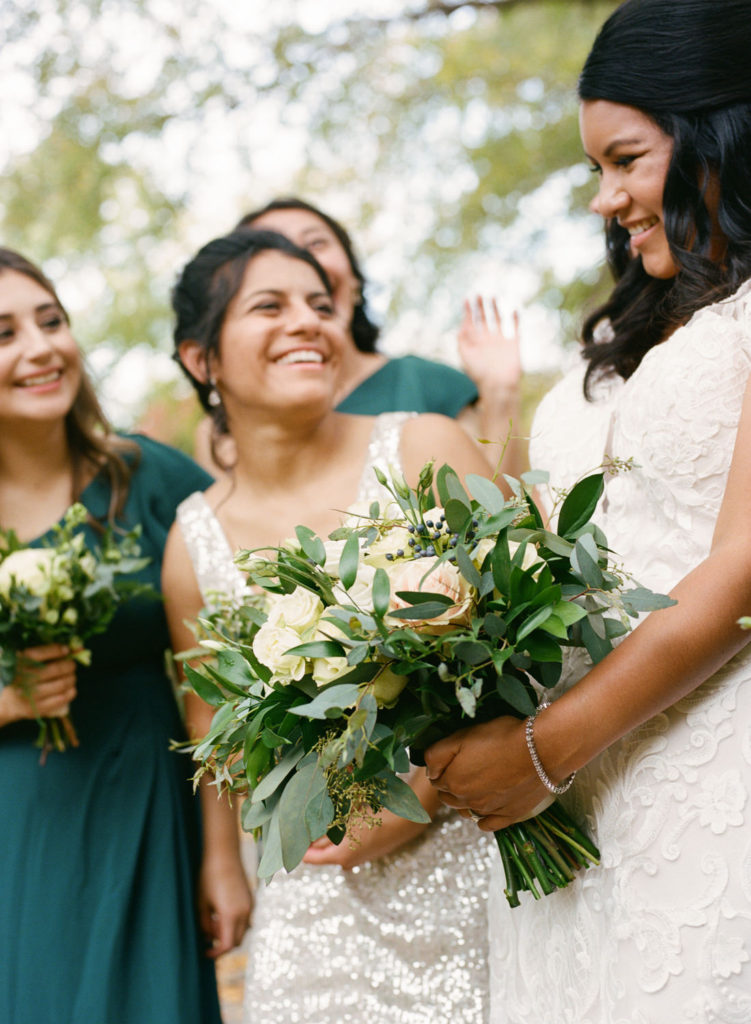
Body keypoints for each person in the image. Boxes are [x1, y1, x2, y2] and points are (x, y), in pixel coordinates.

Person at [423, 0, 751, 1019]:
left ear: (720, 134)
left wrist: (540, 753)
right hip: (576, 824)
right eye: (594, 169)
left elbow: (741, 566)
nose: (605, 199)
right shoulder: (627, 332)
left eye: (626, 160)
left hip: (711, 778)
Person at [162, 227, 497, 1023]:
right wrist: (223, 863)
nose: (307, 322)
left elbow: (525, 652)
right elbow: (211, 723)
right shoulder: (191, 540)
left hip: (474, 844)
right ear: (201, 360)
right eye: (269, 306)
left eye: (319, 304)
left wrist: (420, 794)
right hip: (314, 885)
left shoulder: (424, 446)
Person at [0, 247, 252, 1024]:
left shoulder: (148, 478)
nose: (40, 348)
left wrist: (221, 856)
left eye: (51, 321)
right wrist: (9, 699)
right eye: (4, 334)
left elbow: (217, 671)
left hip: (146, 801)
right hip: (18, 820)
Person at [191, 197, 522, 473]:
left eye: (315, 243)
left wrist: (500, 394)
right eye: (272, 247)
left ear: (355, 279)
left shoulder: (431, 384)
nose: (301, 263)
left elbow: (502, 515)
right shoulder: (219, 435)